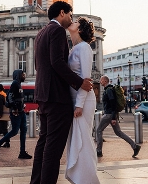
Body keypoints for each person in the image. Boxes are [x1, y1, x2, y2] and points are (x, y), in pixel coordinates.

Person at [30, 1, 93, 184]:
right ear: (62, 12)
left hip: (43, 95)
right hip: (57, 98)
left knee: (43, 144)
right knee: (53, 149)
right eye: (70, 15)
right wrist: (80, 83)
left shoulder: (41, 33)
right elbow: (57, 62)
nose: (71, 19)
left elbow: (39, 66)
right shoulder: (57, 31)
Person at [65, 17, 100, 184]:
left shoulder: (84, 47)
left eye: (77, 21)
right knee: (77, 138)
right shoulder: (74, 48)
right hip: (74, 100)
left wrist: (79, 104)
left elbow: (86, 79)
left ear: (80, 29)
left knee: (84, 139)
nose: (73, 21)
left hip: (84, 101)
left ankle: (88, 179)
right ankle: (79, 177)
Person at [96, 75, 141, 158]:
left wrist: (113, 117)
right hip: (111, 114)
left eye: (101, 80)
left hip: (109, 115)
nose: (100, 81)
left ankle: (99, 151)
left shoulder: (109, 90)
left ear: (105, 81)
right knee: (118, 132)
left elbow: (113, 104)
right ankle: (135, 146)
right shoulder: (108, 89)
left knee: (99, 130)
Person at [0, 70, 32, 159]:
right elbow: (9, 97)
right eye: (23, 74)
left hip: (21, 111)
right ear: (18, 75)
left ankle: (22, 152)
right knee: (14, 131)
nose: (24, 76)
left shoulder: (18, 84)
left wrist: (22, 105)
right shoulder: (15, 84)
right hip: (16, 112)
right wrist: (14, 108)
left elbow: (18, 97)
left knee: (23, 131)